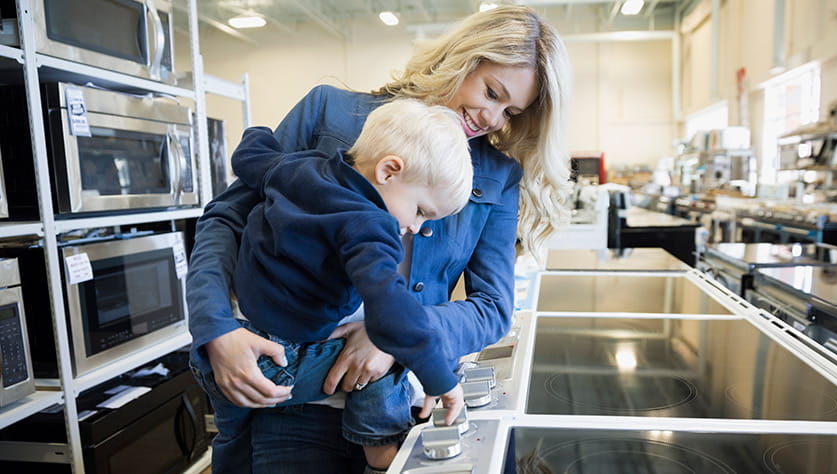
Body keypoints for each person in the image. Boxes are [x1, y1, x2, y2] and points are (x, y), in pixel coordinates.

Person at [187, 4, 573, 473]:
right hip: (293, 397)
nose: (492, 117)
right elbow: (226, 219)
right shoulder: (328, 111)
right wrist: (215, 330)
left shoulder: (497, 173)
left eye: (511, 111)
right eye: (492, 92)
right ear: (462, 58)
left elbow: (492, 307)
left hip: (401, 401)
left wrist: (392, 336)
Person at [225, 99, 469, 473]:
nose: (417, 228)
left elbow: (251, 155)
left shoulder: (298, 168)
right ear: (389, 171)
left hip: (236, 342)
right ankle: (383, 454)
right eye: (421, 210)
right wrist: (440, 377)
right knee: (390, 352)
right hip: (276, 365)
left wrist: (256, 130)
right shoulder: (370, 227)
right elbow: (393, 313)